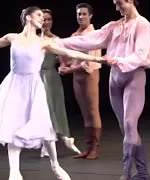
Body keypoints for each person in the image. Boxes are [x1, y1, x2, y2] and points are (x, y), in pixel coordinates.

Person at [0, 6, 104, 180]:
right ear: (28, 17)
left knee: (44, 126)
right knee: (12, 126)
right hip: (14, 85)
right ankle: (14, 170)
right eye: (39, 15)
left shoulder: (44, 42)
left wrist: (96, 58)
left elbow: (68, 52)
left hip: (34, 86)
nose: (43, 19)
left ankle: (55, 165)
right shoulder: (13, 38)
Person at [54, 0, 150, 179]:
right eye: (115, 3)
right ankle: (143, 172)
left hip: (134, 76)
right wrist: (58, 43)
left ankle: (126, 173)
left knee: (130, 124)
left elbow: (140, 54)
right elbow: (88, 40)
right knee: (126, 128)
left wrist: (119, 60)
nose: (117, 7)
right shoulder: (114, 26)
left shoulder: (143, 25)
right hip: (115, 78)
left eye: (119, 3)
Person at [59, 3, 103, 160]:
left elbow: (89, 63)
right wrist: (64, 64)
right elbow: (70, 57)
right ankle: (88, 147)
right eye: (79, 14)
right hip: (77, 75)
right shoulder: (75, 34)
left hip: (88, 74)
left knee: (92, 110)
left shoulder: (94, 34)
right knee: (85, 112)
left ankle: (95, 148)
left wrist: (69, 69)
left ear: (90, 16)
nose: (81, 17)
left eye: (84, 14)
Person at [38, 9, 81, 158]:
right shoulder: (34, 38)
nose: (46, 22)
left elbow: (65, 58)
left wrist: (63, 64)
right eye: (43, 19)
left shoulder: (56, 39)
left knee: (55, 107)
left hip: (50, 76)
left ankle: (64, 136)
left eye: (49, 19)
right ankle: (47, 141)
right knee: (42, 110)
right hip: (36, 77)